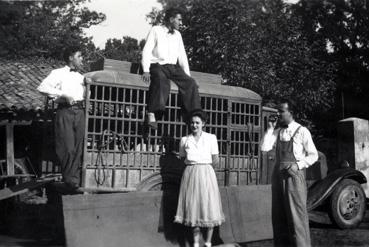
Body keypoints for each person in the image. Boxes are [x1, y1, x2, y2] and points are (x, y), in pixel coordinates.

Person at [260, 100, 318, 247]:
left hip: (294, 177)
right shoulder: (278, 132)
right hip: (278, 178)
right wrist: (269, 129)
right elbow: (264, 148)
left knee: (297, 217)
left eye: (281, 111)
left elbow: (313, 155)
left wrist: (298, 165)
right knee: (279, 216)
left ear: (291, 112)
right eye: (277, 111)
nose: (278, 114)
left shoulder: (302, 131)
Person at [37, 46, 89, 190]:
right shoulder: (58, 73)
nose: (82, 59)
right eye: (79, 56)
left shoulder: (82, 77)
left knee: (79, 147)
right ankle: (69, 179)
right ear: (71, 58)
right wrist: (63, 95)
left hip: (80, 112)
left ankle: (74, 179)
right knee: (67, 146)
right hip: (65, 111)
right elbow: (42, 87)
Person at [141, 8, 201, 129]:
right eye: (179, 20)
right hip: (157, 65)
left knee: (191, 83)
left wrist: (187, 75)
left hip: (173, 68)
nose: (181, 23)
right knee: (162, 81)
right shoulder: (156, 30)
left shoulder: (178, 35)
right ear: (171, 19)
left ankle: (193, 116)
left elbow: (182, 57)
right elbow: (146, 50)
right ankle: (152, 113)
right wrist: (146, 69)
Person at [174, 110, 225, 247]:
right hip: (190, 174)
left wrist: (204, 170)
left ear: (203, 123)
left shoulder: (211, 138)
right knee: (193, 208)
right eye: (192, 122)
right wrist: (194, 168)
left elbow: (215, 160)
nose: (194, 125)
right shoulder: (185, 140)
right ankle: (195, 243)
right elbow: (183, 158)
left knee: (209, 207)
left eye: (197, 122)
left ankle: (208, 242)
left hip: (207, 173)